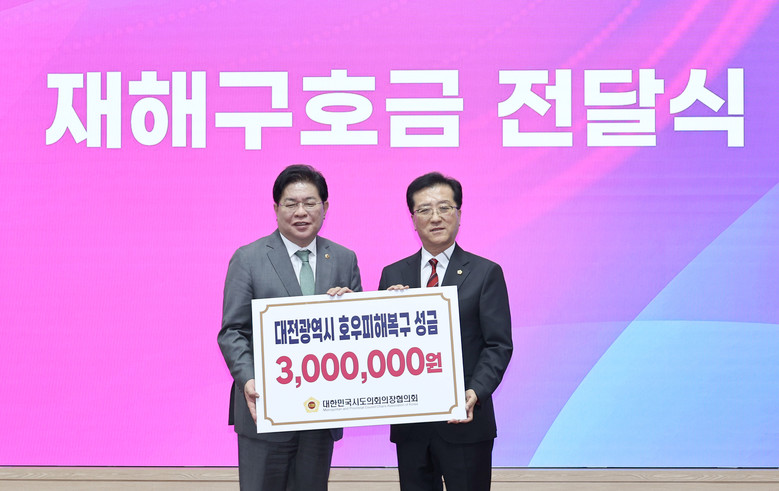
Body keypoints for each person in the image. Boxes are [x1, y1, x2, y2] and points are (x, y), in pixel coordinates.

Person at [218, 164, 361, 491]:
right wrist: (249, 380)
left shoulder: (344, 258)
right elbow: (233, 331)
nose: (301, 212)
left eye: (310, 203)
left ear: (325, 207)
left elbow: (358, 335)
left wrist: (353, 309)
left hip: (321, 413)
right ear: (276, 208)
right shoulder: (248, 258)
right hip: (265, 410)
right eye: (291, 203)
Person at [378, 172, 513, 491]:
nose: (435, 217)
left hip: (466, 421)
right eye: (424, 209)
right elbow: (379, 347)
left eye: (444, 207)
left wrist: (475, 392)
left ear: (459, 214)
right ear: (413, 219)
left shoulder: (485, 273)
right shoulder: (393, 275)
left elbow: (498, 345)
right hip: (411, 425)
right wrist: (379, 309)